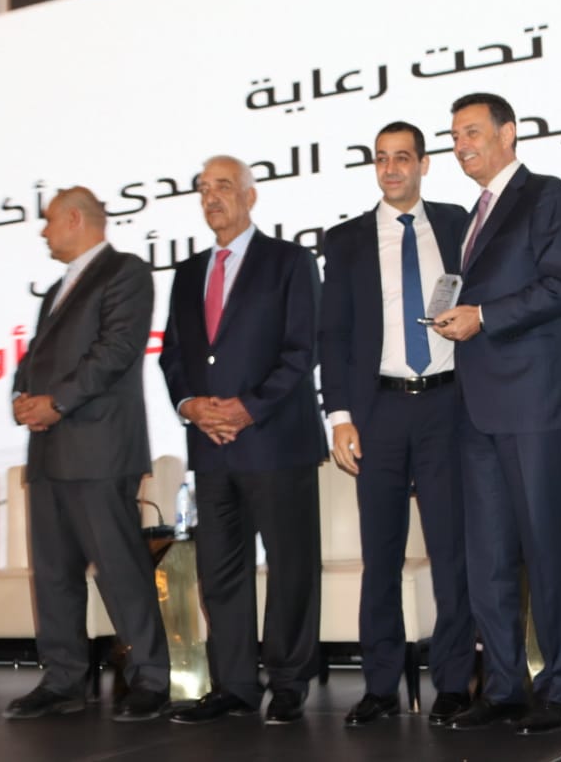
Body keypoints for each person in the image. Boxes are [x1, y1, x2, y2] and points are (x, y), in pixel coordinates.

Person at [433, 92, 561, 735]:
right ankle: (502, 687)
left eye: (471, 132)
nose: (461, 145)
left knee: (544, 547)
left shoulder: (546, 195)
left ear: (508, 133)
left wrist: (484, 316)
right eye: (454, 136)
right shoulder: (472, 215)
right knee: (488, 554)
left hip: (532, 400)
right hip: (475, 404)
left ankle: (559, 686)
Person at [159, 155, 326, 725]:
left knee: (290, 566)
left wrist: (248, 408)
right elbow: (173, 356)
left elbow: (302, 349)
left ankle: (289, 682)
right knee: (220, 571)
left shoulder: (289, 261)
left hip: (276, 442)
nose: (212, 197)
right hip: (211, 448)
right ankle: (233, 685)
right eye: (203, 189)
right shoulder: (187, 273)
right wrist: (190, 405)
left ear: (250, 196)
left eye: (224, 187)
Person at [319, 121, 475, 728]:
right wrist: (340, 416)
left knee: (451, 552)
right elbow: (333, 334)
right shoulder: (346, 240)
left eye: (402, 157)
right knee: (380, 554)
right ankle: (381, 686)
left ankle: (455, 683)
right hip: (378, 411)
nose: (391, 169)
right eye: (381, 159)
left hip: (447, 406)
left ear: (424, 164)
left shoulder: (459, 224)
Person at [5, 186, 170, 722]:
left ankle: (150, 679)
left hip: (99, 450)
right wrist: (22, 396)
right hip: (49, 452)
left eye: (50, 220)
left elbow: (116, 350)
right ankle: (63, 680)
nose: (43, 231)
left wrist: (57, 402)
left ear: (75, 218)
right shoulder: (57, 288)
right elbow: (35, 357)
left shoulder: (125, 271)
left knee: (120, 569)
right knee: (53, 574)